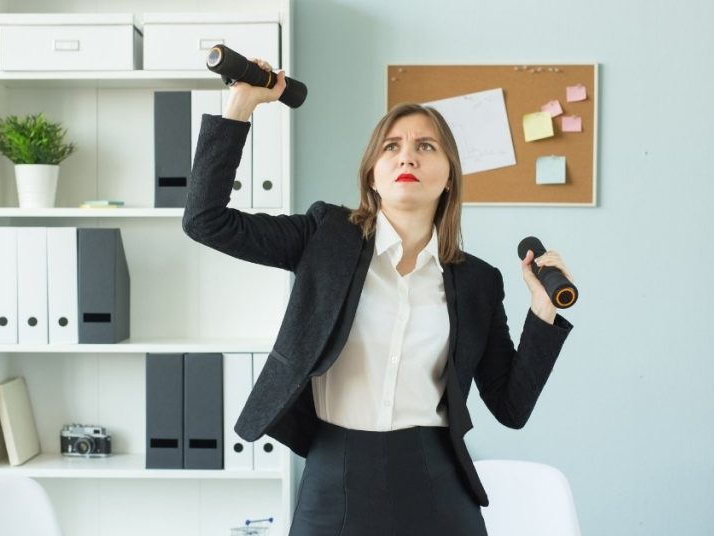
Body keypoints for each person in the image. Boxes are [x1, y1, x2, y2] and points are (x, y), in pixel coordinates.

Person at [183, 59, 575, 536]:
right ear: (372, 174)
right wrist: (241, 104)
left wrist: (543, 310)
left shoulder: (479, 282)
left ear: (449, 176)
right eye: (392, 147)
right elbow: (206, 221)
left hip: (436, 477)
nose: (407, 157)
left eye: (425, 147)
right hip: (335, 472)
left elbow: (511, 409)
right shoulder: (324, 236)